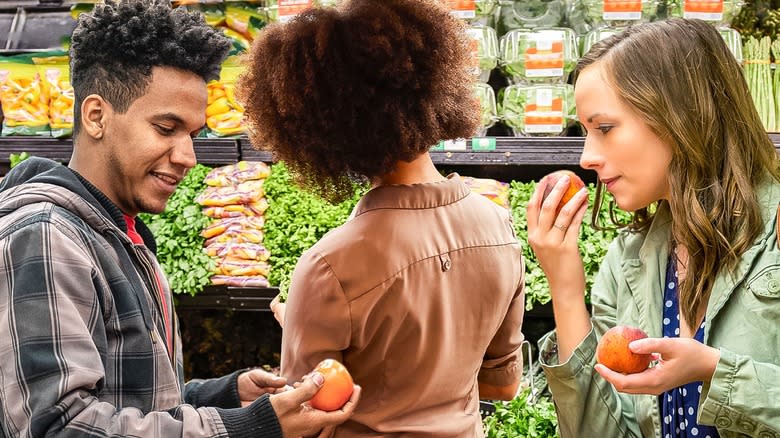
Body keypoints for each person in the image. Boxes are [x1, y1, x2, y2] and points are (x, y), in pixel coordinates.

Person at [0, 1, 359, 437]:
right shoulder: (46, 236)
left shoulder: (118, 232)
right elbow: (60, 427)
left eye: (194, 134)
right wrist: (245, 428)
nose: (188, 156)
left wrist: (221, 396)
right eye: (166, 129)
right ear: (96, 116)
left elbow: (124, 398)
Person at [238, 0, 526, 436]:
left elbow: (305, 417)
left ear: (320, 125)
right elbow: (501, 386)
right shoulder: (498, 226)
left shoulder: (329, 267)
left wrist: (301, 317)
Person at [526, 18, 780, 437]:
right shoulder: (627, 261)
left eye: (604, 128)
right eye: (584, 132)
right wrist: (566, 290)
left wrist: (716, 372)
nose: (586, 156)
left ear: (679, 117)